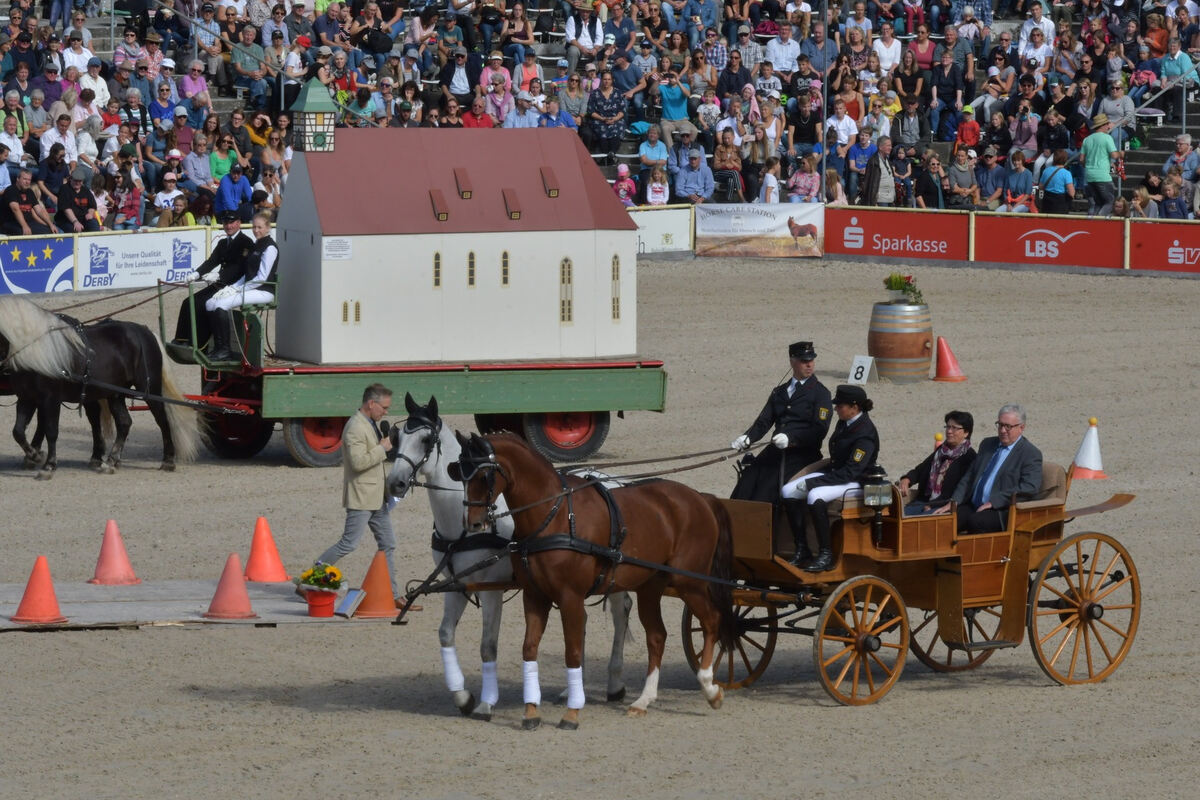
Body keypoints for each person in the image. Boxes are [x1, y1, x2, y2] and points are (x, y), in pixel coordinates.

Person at [310, 383, 419, 610]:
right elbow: (358, 463)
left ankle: (393, 594)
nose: (386, 412)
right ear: (372, 404)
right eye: (384, 407)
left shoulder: (369, 423)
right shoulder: (355, 428)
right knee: (348, 544)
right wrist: (383, 448)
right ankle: (310, 578)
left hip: (377, 498)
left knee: (388, 543)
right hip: (361, 497)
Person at [779, 384, 878, 572]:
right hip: (836, 473)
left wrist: (812, 482)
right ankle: (802, 548)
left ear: (854, 408)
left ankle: (825, 553)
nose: (835, 409)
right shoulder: (845, 422)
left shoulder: (865, 434)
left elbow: (851, 471)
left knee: (815, 496)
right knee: (788, 491)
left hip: (855, 480)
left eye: (840, 406)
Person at [730, 341, 832, 505]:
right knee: (746, 483)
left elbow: (819, 430)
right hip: (775, 451)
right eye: (804, 361)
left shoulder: (820, 394)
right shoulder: (780, 392)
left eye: (811, 360)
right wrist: (748, 438)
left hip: (801, 455)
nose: (809, 365)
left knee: (766, 491)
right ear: (792, 362)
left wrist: (791, 438)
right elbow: (764, 421)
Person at [938, 403, 1042, 535]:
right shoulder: (987, 444)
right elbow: (970, 476)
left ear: (1021, 427)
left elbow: (1030, 487)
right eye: (1000, 425)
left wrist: (994, 502)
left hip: (1001, 509)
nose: (1003, 430)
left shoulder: (1030, 453)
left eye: (1008, 426)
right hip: (974, 504)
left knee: (976, 521)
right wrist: (955, 501)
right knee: (946, 520)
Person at [172, 210, 254, 347]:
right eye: (226, 223)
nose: (228, 226)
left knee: (201, 304)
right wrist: (196, 274)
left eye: (232, 223)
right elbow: (211, 261)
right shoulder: (222, 243)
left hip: (234, 286)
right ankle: (182, 339)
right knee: (188, 301)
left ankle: (197, 342)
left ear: (238, 223)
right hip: (220, 284)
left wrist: (219, 275)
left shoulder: (246, 242)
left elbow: (239, 267)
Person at [204, 212, 278, 361]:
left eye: (260, 227)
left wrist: (238, 289)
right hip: (251, 287)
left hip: (263, 290)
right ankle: (218, 347)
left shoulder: (270, 248)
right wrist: (231, 287)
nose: (256, 230)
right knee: (210, 303)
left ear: (268, 228)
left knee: (221, 305)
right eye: (254, 227)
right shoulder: (256, 245)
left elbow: (261, 278)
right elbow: (247, 274)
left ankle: (225, 350)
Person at [897, 411, 976, 516]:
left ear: (966, 432)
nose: (949, 431)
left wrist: (933, 504)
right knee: (898, 515)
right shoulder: (942, 450)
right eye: (948, 427)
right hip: (924, 500)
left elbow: (959, 490)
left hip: (943, 505)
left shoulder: (969, 457)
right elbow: (920, 470)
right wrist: (907, 479)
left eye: (954, 428)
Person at [1079, 112, 1119, 217]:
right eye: (1107, 124)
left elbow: (1081, 159)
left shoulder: (1087, 139)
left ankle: (1092, 222)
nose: (1108, 126)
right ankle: (1099, 221)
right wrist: (1121, 153)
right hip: (1102, 176)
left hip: (1089, 176)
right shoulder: (1107, 138)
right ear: (1103, 125)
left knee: (1097, 203)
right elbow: (1114, 155)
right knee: (1109, 202)